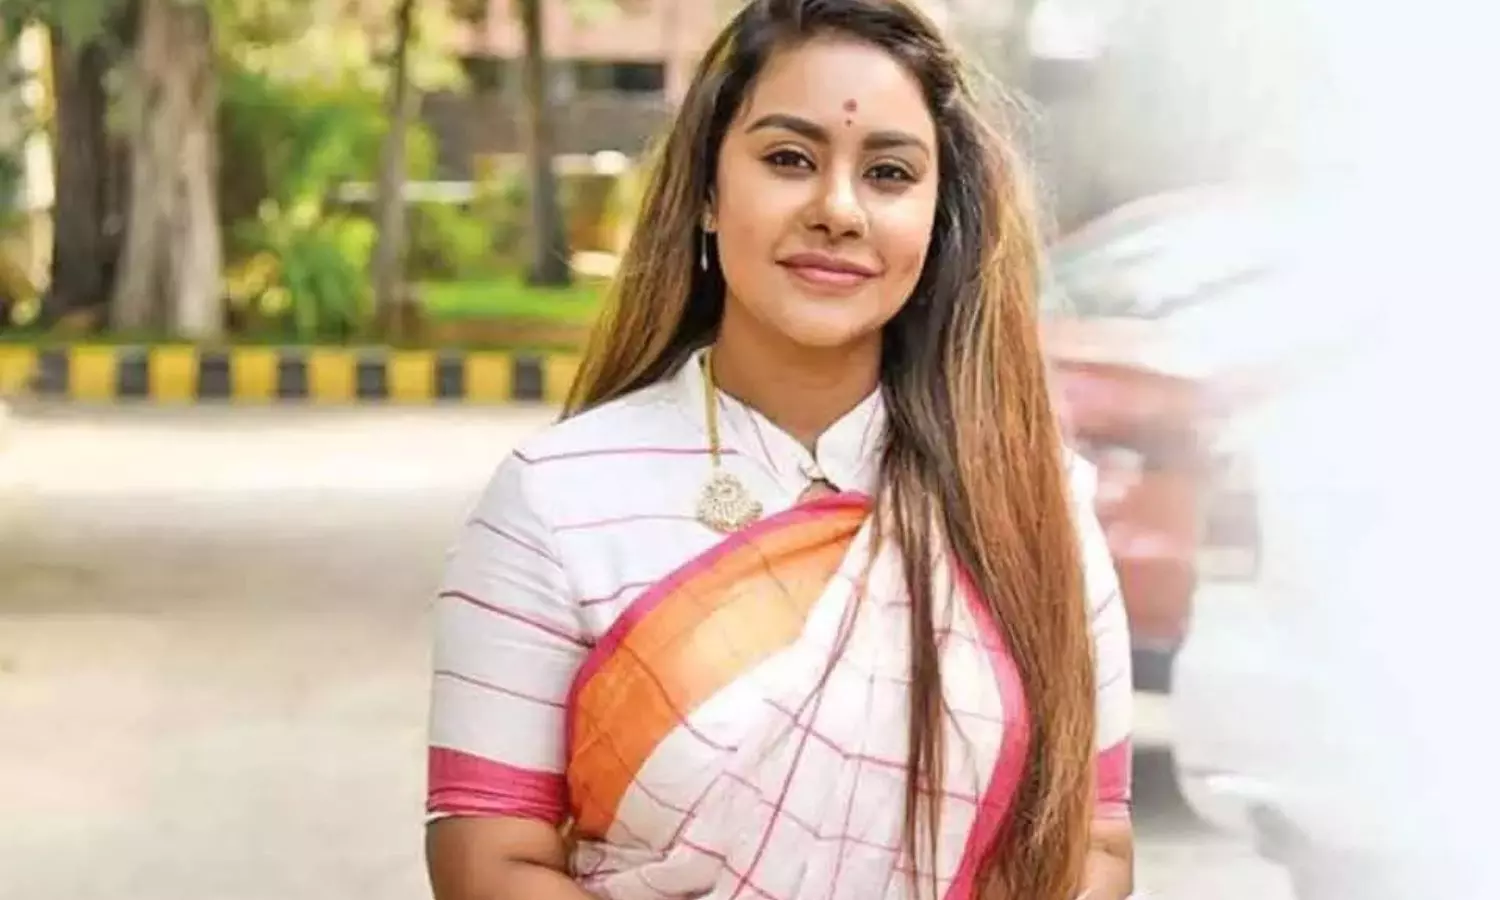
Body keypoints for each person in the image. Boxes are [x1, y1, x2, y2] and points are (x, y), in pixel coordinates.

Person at [423, 2, 1133, 898]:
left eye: (888, 173)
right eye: (790, 159)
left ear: (936, 218)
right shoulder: (555, 500)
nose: (838, 210)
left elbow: (1095, 844)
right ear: (708, 192)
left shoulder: (1034, 509)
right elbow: (491, 860)